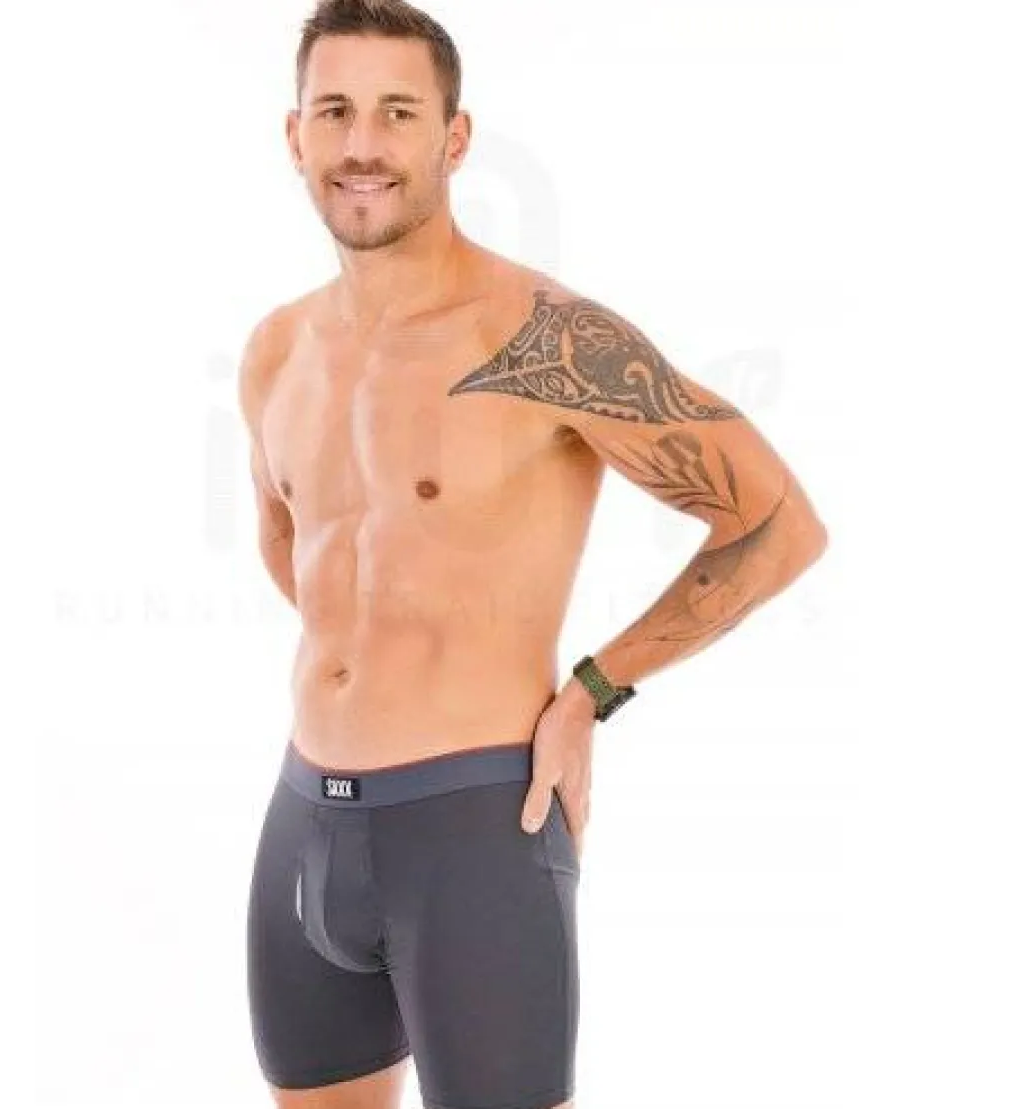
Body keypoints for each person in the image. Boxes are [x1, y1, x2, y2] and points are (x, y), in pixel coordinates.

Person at [241, 3, 829, 1106]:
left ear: (453, 138)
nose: (362, 143)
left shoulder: (543, 340)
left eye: (397, 112)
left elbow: (776, 522)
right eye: (335, 110)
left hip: (472, 823)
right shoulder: (278, 349)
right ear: (295, 135)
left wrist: (590, 692)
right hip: (302, 820)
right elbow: (295, 545)